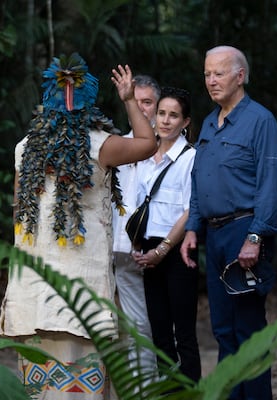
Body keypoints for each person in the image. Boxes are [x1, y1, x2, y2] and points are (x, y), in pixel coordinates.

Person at [0, 53, 157, 399]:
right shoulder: (100, 145)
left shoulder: (25, 148)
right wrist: (130, 101)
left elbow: (18, 216)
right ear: (88, 105)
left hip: (37, 287)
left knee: (42, 384)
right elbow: (148, 143)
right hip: (83, 287)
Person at [180, 45, 277, 399]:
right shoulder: (209, 122)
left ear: (240, 76)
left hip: (246, 230)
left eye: (219, 73)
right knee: (223, 329)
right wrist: (193, 226)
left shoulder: (260, 120)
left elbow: (271, 184)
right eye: (207, 74)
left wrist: (256, 236)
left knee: (249, 332)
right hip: (215, 233)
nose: (211, 81)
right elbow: (199, 181)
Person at [131, 86, 200, 383]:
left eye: (174, 116)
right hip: (148, 248)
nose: (166, 121)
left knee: (183, 331)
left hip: (177, 249)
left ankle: (190, 391)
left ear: (185, 122)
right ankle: (168, 391)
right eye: (161, 113)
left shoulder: (191, 157)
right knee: (159, 331)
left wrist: (163, 249)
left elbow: (189, 209)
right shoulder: (143, 154)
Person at [111, 74, 160, 379]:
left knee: (156, 324)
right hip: (121, 251)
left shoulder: (171, 147)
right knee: (132, 325)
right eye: (135, 101)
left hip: (158, 250)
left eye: (147, 102)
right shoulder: (118, 146)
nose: (142, 109)